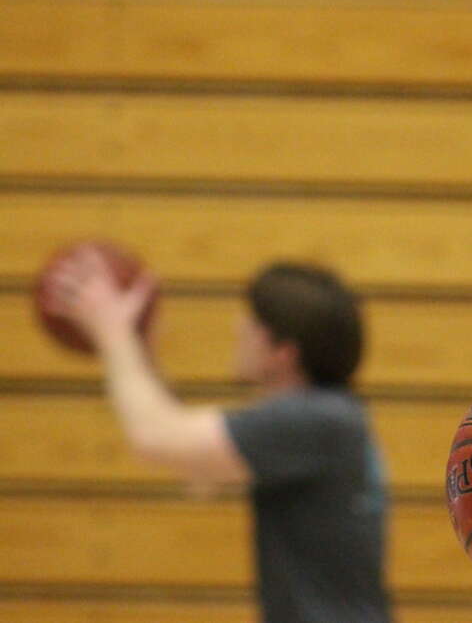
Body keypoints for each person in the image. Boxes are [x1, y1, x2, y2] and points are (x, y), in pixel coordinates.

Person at [44, 256, 393, 623]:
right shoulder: (331, 418)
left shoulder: (313, 420)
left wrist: (111, 332)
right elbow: (198, 470)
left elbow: (156, 437)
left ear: (283, 352)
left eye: (253, 322)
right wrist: (138, 349)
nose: (238, 327)